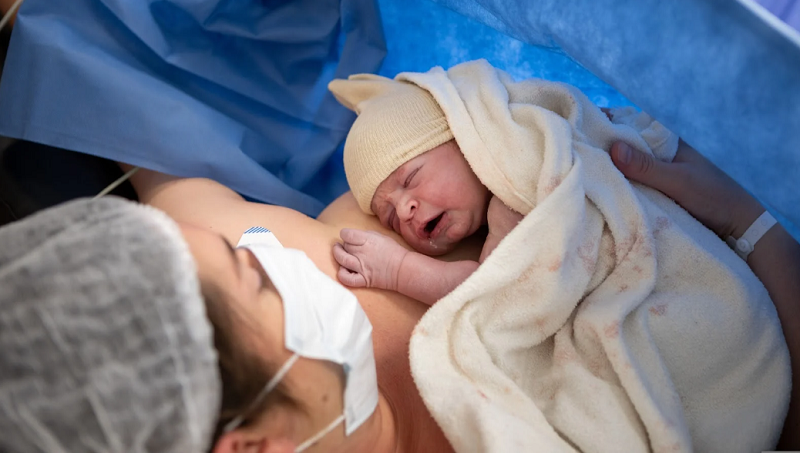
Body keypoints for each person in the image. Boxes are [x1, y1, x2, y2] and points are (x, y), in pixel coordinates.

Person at [326, 60, 678, 304]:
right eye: (389, 218)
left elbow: (493, 291)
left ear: (464, 137)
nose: (404, 210)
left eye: (411, 177)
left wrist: (399, 269)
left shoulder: (514, 184)